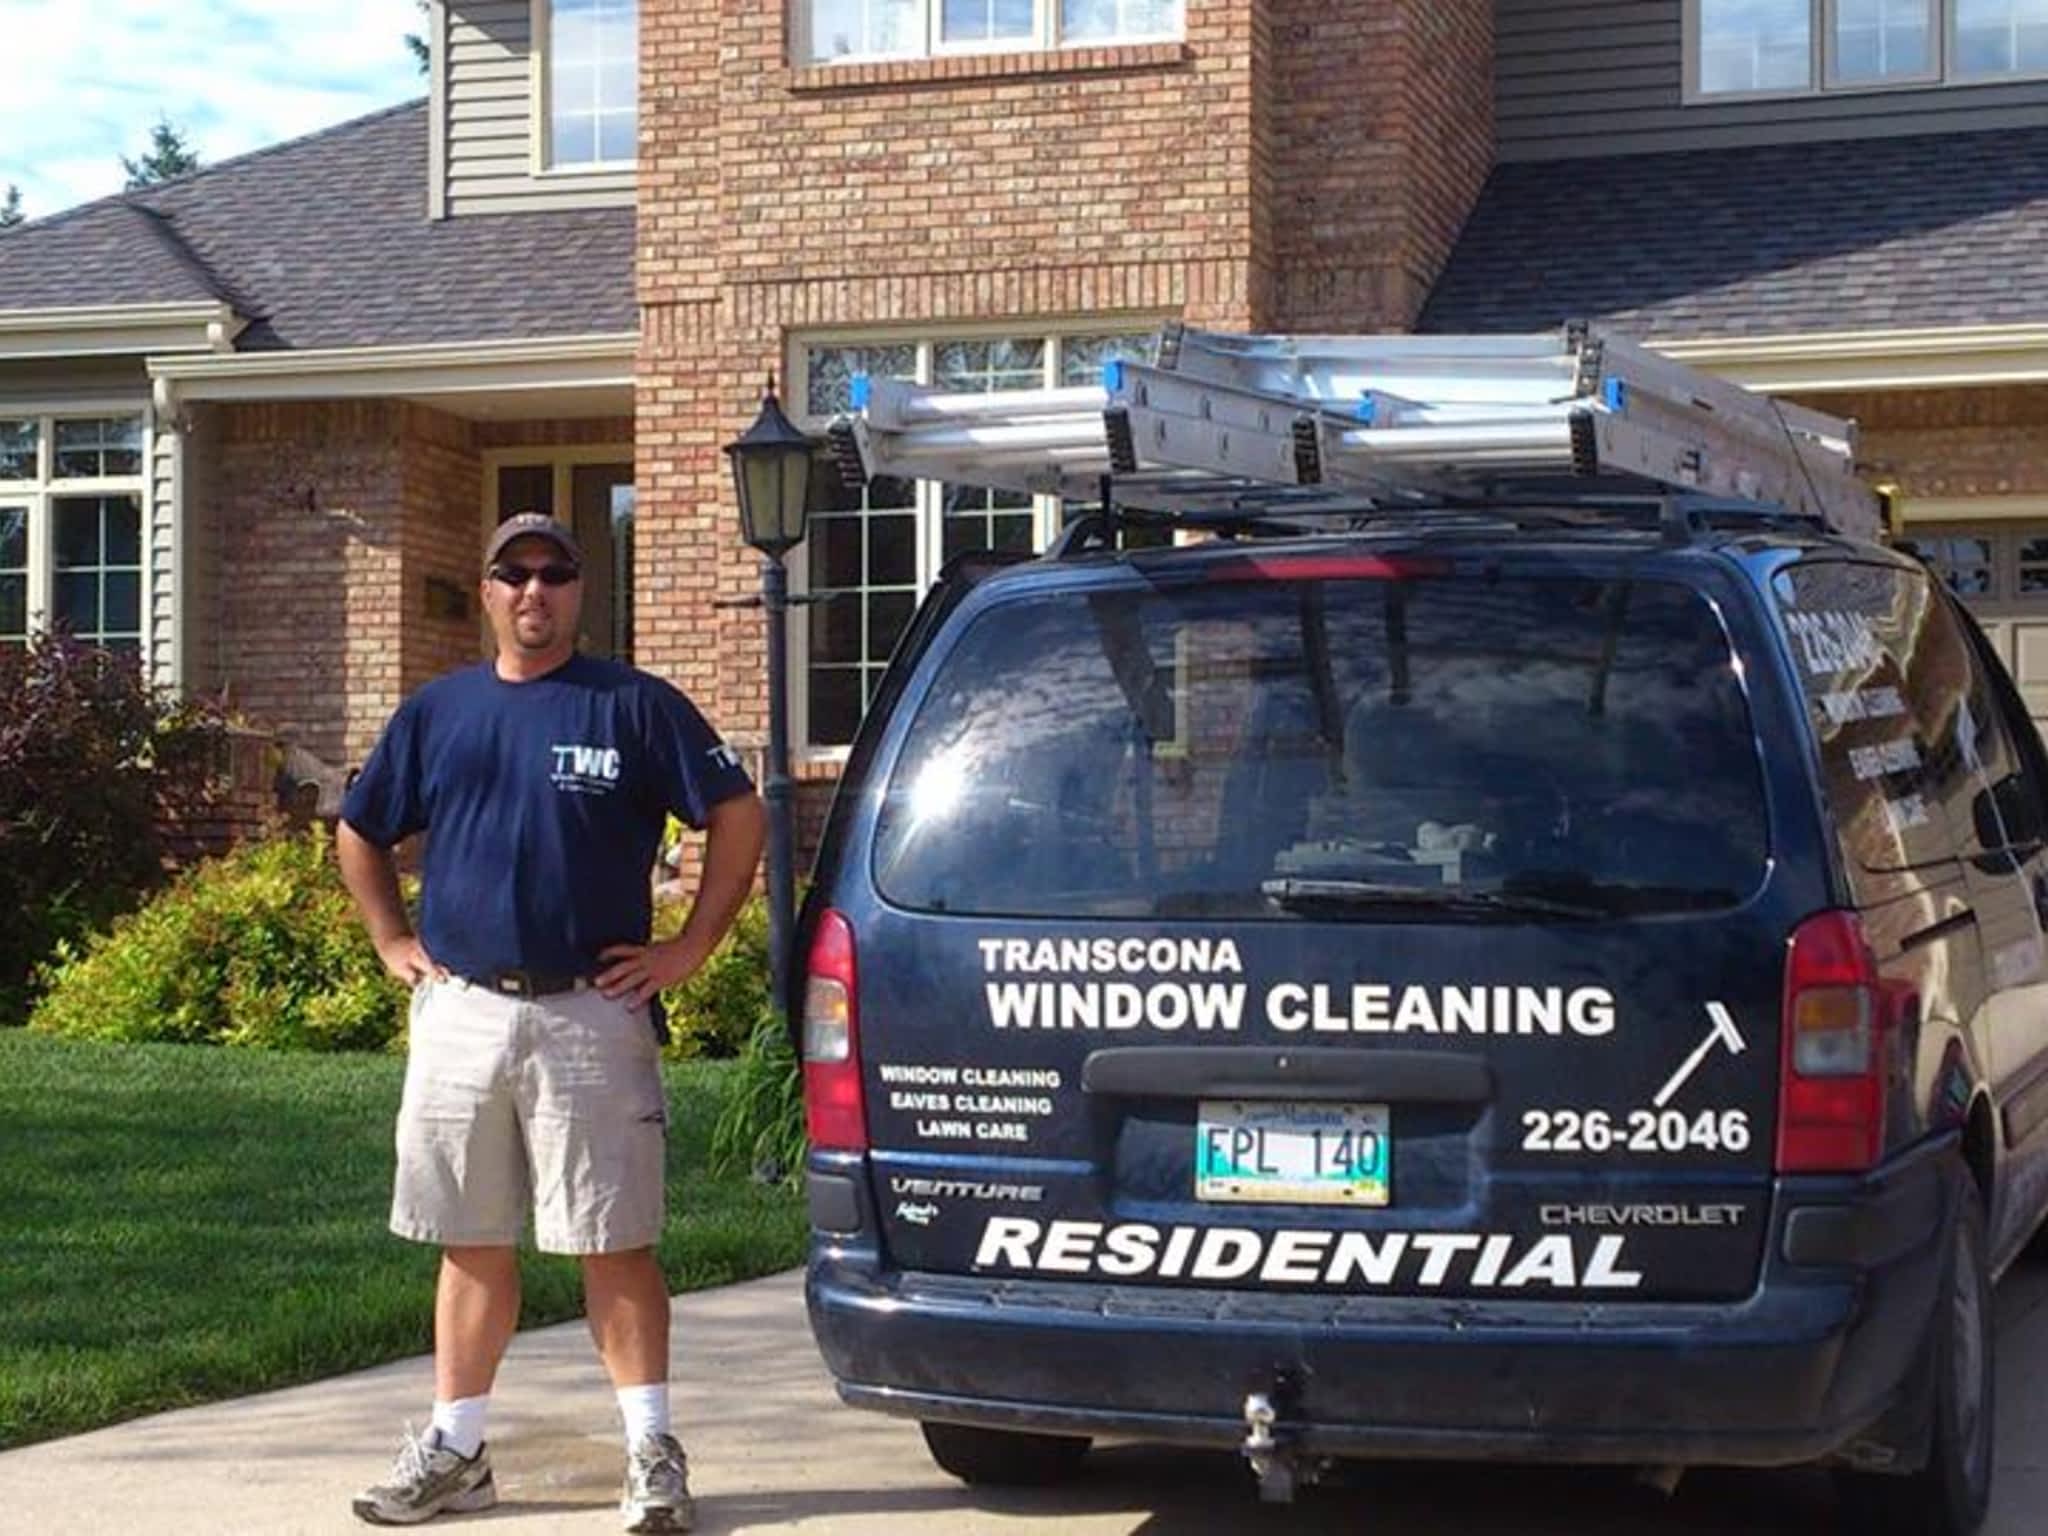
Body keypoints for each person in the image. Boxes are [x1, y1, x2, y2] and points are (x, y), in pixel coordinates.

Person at [337, 513, 766, 1532]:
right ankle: (455, 1448)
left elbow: (737, 815)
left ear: (580, 590)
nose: (534, 591)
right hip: (463, 1015)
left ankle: (651, 1454)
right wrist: (391, 941)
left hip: (591, 1014)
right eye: (513, 574)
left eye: (555, 574)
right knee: (469, 1238)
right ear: (486, 591)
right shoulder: (438, 713)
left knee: (612, 1244)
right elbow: (360, 828)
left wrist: (686, 949)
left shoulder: (635, 707)